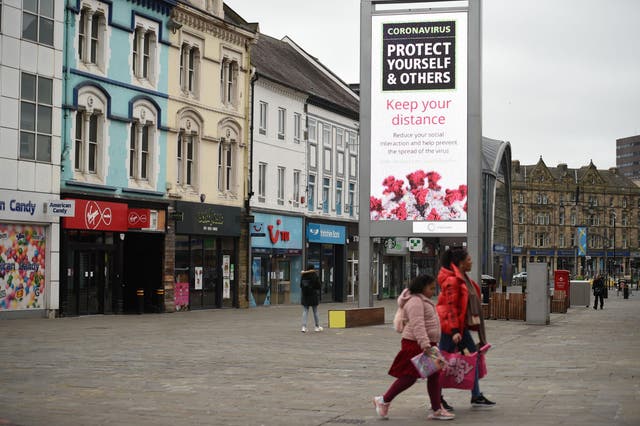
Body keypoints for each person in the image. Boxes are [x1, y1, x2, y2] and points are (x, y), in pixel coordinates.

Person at [373, 275, 454, 421]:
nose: (433, 290)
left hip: (427, 343)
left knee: (434, 376)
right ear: (422, 287)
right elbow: (418, 325)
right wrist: (425, 345)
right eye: (430, 287)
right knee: (409, 377)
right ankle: (383, 400)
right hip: (416, 344)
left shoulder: (422, 300)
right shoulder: (415, 301)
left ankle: (436, 409)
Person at [437, 247, 496, 409]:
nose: (471, 261)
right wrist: (455, 331)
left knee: (473, 356)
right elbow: (450, 308)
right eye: (469, 259)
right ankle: (436, 398)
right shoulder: (452, 280)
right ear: (461, 263)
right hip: (450, 329)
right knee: (441, 362)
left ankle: (476, 395)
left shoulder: (462, 278)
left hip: (459, 327)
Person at [300, 265, 322, 332]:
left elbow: (300, 285)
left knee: (305, 311)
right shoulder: (314, 275)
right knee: (315, 311)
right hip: (313, 295)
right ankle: (317, 327)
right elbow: (319, 286)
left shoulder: (303, 275)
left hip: (305, 295)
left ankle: (303, 327)